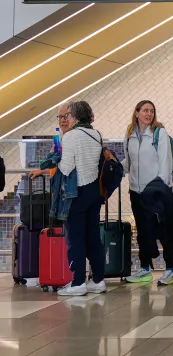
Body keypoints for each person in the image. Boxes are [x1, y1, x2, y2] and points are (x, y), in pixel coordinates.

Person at [51, 101, 106, 296]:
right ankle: (98, 280)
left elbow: (66, 167)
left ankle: (78, 282)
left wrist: (55, 163)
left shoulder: (71, 136)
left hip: (77, 192)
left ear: (73, 117)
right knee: (92, 236)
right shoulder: (96, 134)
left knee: (75, 238)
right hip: (95, 192)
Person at [124, 100, 173, 285]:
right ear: (137, 112)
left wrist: (160, 187)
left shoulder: (159, 133)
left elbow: (165, 162)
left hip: (155, 191)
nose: (149, 114)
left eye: (152, 111)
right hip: (136, 191)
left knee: (164, 230)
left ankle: (170, 270)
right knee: (143, 232)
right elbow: (128, 162)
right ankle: (145, 269)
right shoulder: (130, 133)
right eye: (145, 111)